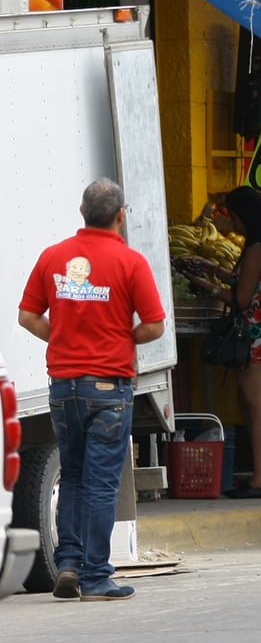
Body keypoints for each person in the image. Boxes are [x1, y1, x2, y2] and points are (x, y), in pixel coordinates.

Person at [18, 178, 166, 601]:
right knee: (101, 483)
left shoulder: (53, 257)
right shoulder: (130, 262)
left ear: (82, 212)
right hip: (109, 389)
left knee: (74, 476)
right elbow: (155, 325)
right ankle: (97, 577)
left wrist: (65, 338)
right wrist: (120, 338)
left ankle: (68, 563)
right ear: (121, 216)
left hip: (64, 388)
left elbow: (28, 316)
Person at [183, 186, 261, 499]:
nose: (232, 222)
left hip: (255, 333)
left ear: (246, 217)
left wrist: (207, 287)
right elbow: (250, 284)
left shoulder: (255, 249)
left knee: (259, 409)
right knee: (257, 407)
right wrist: (213, 269)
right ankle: (260, 475)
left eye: (234, 216)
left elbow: (241, 299)